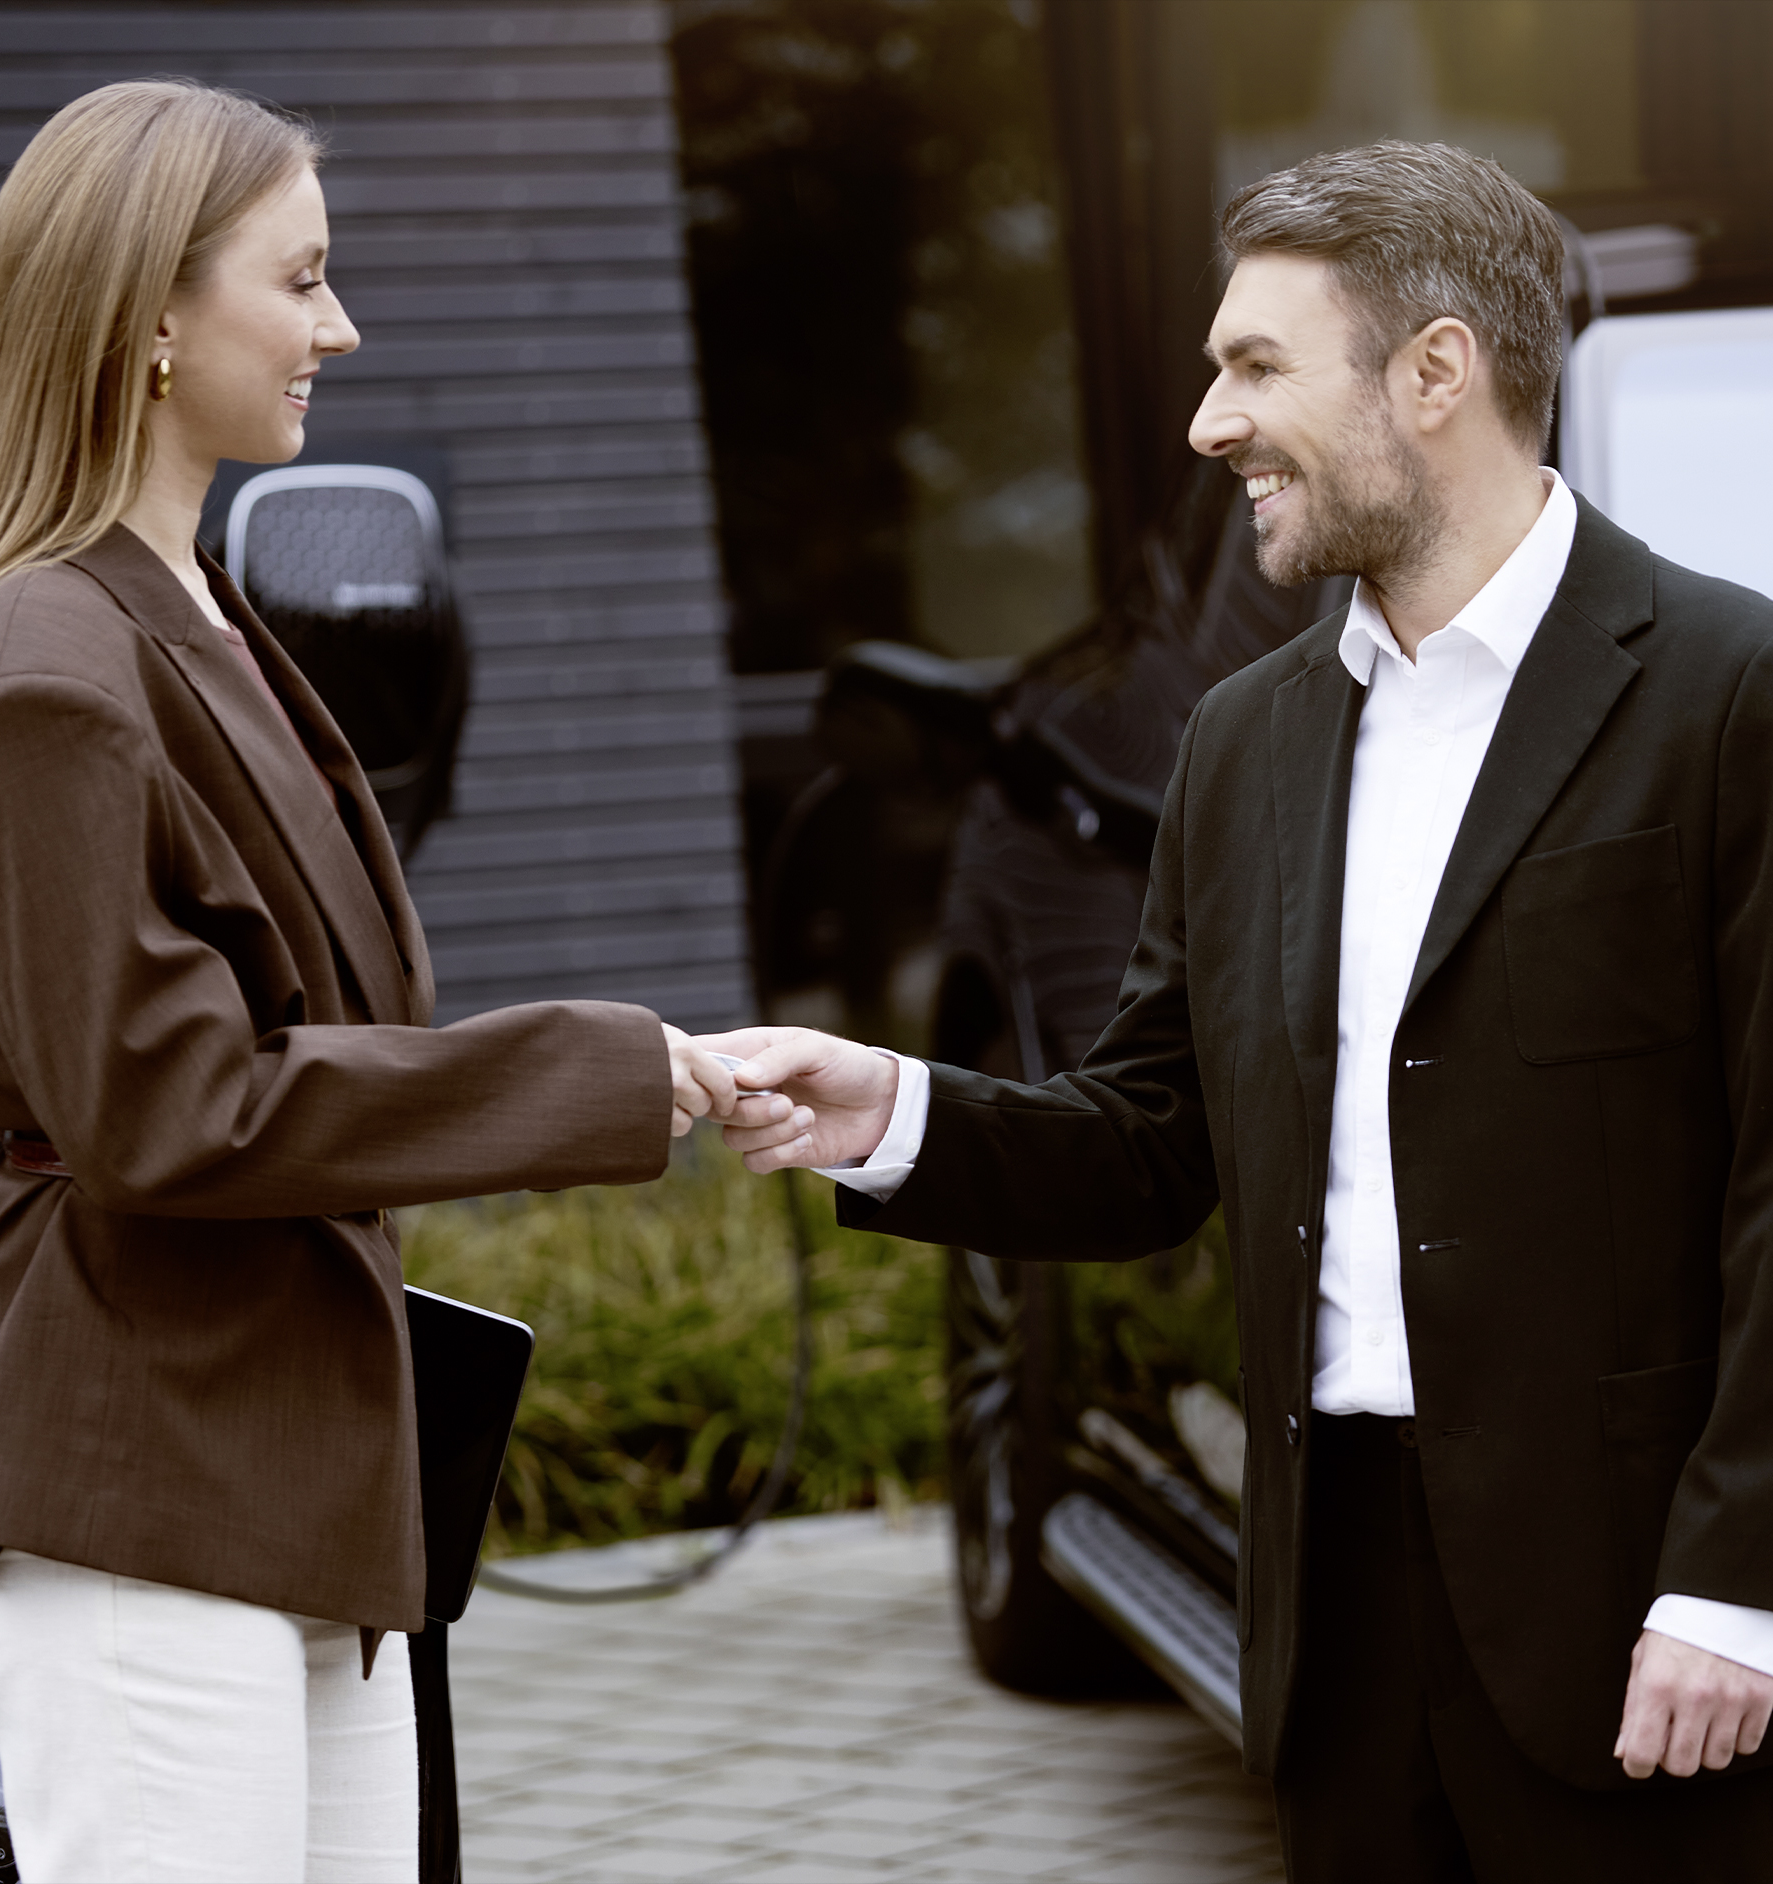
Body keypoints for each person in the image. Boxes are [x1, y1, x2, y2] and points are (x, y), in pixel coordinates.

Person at [702, 141, 1773, 1878]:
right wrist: (888, 1110)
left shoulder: (1732, 693)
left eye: (1256, 366)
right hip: (1331, 1626)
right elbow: (1151, 1139)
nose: (1210, 423)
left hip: (1644, 1630)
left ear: (1438, 372)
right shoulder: (1244, 742)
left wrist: (1737, 1585)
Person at [0, 81, 736, 1884]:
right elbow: (164, 1107)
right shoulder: (49, 654)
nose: (339, 328)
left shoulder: (195, 612)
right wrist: (589, 1074)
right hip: (143, 1480)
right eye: (303, 279)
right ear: (150, 317)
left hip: (287, 1480)